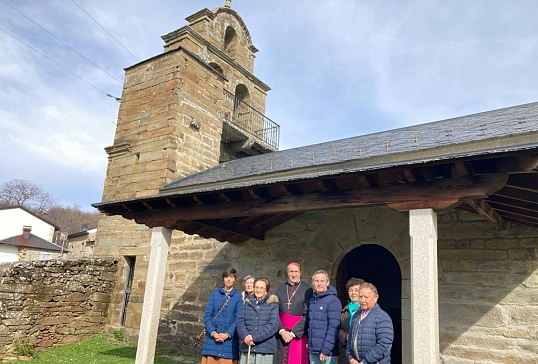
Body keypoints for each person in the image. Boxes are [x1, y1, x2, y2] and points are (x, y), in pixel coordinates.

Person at [201, 267, 244, 364]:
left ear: (234, 279)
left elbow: (238, 318)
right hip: (212, 340)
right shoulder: (214, 294)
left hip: (229, 342)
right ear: (223, 278)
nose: (229, 279)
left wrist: (227, 334)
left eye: (231, 277)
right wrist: (213, 333)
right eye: (226, 277)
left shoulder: (238, 296)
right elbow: (208, 315)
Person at [273, 261, 313, 364]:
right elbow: (274, 312)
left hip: (297, 334)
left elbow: (307, 315)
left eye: (296, 271)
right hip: (281, 334)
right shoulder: (280, 288)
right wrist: (281, 330)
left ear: (300, 272)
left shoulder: (307, 290)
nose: (294, 274)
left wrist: (293, 334)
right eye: (291, 271)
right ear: (287, 273)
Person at [346, 282, 394, 364]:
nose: (362, 300)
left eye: (366, 297)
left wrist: (365, 362)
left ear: (376, 298)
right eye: (360, 296)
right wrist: (350, 358)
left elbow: (384, 345)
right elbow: (350, 340)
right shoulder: (356, 315)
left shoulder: (382, 318)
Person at [237, 277, 279, 364]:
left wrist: (254, 337)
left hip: (264, 350)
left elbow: (273, 325)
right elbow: (240, 322)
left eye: (261, 288)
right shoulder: (247, 303)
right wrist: (246, 336)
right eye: (256, 287)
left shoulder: (272, 305)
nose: (258, 290)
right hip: (247, 347)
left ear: (266, 290)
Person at [307, 270, 342, 364]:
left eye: (322, 281)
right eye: (316, 281)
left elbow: (333, 327)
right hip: (313, 351)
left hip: (327, 353)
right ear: (312, 282)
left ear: (327, 282)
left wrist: (326, 349)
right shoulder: (312, 300)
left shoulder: (333, 301)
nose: (319, 284)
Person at [338, 278, 365, 363]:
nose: (353, 293)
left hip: (362, 353)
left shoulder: (366, 309)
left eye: (356, 290)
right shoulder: (344, 310)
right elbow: (338, 329)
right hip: (347, 354)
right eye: (351, 290)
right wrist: (345, 337)